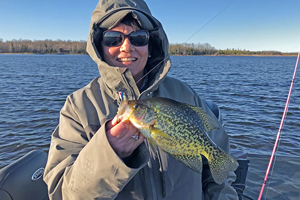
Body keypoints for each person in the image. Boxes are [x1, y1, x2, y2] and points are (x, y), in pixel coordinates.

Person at [43, 0, 239, 199]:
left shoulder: (184, 93)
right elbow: (62, 194)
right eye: (113, 38)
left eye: (138, 38)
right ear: (98, 46)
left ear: (151, 43)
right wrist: (110, 152)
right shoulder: (78, 107)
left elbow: (221, 179)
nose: (127, 47)